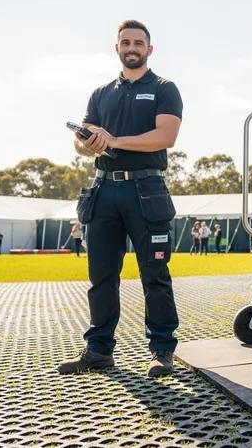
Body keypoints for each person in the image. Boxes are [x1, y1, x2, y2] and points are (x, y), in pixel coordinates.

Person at [57, 19, 183, 378]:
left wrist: (113, 140)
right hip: (103, 190)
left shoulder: (164, 88)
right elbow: (80, 144)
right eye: (125, 42)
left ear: (149, 49)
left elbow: (165, 136)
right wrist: (87, 142)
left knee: (154, 273)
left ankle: (161, 349)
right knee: (101, 276)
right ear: (117, 48)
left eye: (138, 43)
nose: (132, 48)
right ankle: (98, 351)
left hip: (147, 190)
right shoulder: (100, 93)